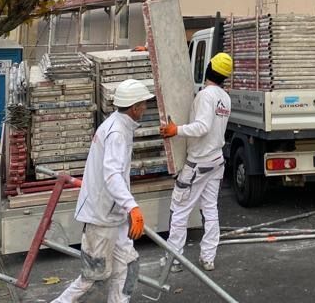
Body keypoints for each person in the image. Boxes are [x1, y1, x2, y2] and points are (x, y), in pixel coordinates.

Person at [51, 79, 154, 303]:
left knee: (128, 266)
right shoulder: (117, 133)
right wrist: (132, 206)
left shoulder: (117, 125)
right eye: (144, 104)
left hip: (113, 215)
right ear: (135, 107)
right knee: (94, 277)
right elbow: (112, 174)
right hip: (101, 217)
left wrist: (125, 208)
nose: (146, 108)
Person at [159, 52, 233, 272]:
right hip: (216, 161)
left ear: (209, 68)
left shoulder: (205, 96)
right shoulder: (225, 98)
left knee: (179, 209)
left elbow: (202, 127)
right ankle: (208, 257)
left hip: (199, 162)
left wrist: (176, 130)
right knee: (210, 209)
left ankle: (174, 260)